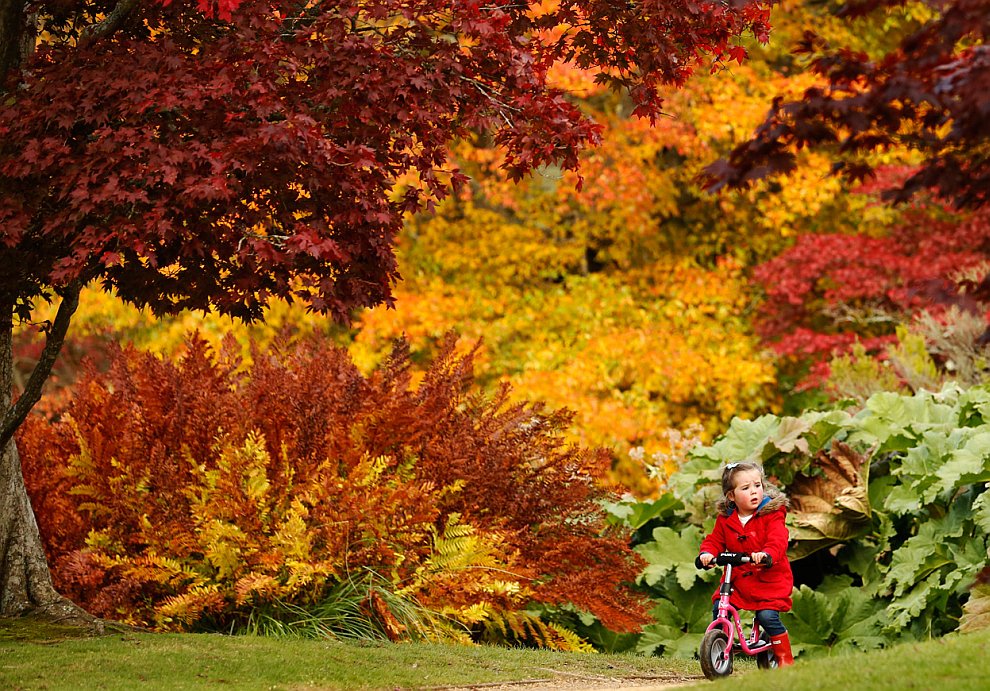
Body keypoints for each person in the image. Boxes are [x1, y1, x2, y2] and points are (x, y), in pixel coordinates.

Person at [698, 461, 794, 666]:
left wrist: (767, 553)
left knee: (767, 617)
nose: (754, 492)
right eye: (746, 488)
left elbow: (778, 539)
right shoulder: (726, 519)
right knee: (719, 608)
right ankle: (723, 650)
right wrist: (707, 553)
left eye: (757, 485)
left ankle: (784, 658)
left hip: (769, 580)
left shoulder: (772, 514)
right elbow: (715, 540)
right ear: (731, 496)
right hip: (737, 581)